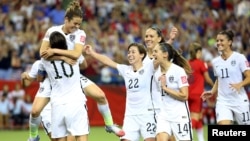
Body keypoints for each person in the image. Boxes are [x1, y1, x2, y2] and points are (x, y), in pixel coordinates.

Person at [26, 1, 124, 141]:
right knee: (35, 111)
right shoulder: (52, 31)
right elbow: (43, 53)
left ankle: (109, 125)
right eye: (75, 23)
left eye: (79, 24)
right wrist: (63, 57)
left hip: (72, 75)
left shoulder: (80, 33)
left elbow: (77, 55)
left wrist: (56, 52)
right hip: (54, 78)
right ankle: (33, 136)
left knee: (101, 96)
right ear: (66, 20)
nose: (77, 27)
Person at [85, 43, 157, 141]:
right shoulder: (125, 69)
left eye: (133, 52)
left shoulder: (149, 67)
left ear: (142, 55)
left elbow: (161, 57)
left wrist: (169, 41)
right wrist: (92, 53)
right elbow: (107, 61)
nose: (130, 54)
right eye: (129, 52)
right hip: (130, 117)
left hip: (147, 115)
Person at [39, 30, 89, 141]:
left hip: (57, 103)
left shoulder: (45, 60)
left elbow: (40, 76)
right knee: (81, 135)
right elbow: (85, 65)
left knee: (60, 139)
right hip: (76, 101)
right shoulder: (74, 55)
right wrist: (65, 57)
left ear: (51, 45)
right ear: (65, 43)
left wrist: (56, 55)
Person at [201, 30, 250, 125]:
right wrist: (212, 91)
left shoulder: (240, 58)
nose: (218, 43)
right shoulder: (215, 62)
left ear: (230, 42)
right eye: (217, 40)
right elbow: (219, 79)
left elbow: (249, 77)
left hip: (239, 100)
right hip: (223, 101)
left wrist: (241, 84)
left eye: (221, 40)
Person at [152, 42, 193, 141]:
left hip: (180, 115)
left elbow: (184, 96)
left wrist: (165, 88)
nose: (153, 54)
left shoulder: (178, 71)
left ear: (165, 54)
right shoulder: (156, 73)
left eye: (156, 51)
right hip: (164, 115)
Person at [187, 42, 214, 141]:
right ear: (198, 52)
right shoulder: (201, 63)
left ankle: (201, 139)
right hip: (197, 94)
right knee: (195, 116)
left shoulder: (187, 63)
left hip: (188, 94)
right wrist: (214, 86)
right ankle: (183, 136)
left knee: (198, 116)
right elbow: (207, 79)